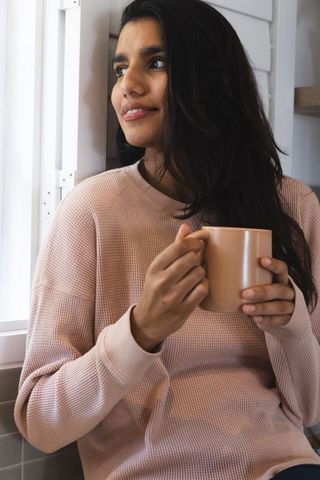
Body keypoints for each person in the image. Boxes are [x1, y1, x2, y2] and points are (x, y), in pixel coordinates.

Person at [14, 0, 320, 478]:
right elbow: (41, 423)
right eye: (121, 67)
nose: (127, 85)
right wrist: (141, 330)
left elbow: (309, 411)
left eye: (156, 63)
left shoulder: (293, 207)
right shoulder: (90, 211)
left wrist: (291, 325)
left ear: (212, 78)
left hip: (282, 466)